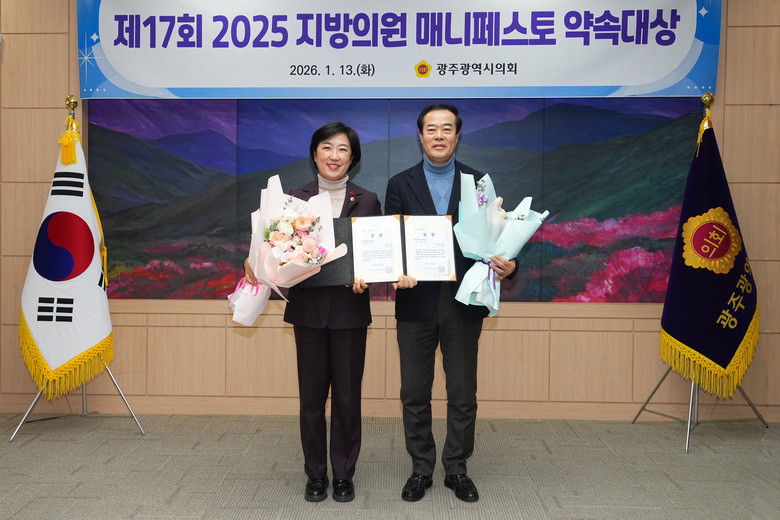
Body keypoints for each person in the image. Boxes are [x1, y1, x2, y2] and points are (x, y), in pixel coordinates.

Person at [385, 104, 518, 503]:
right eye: (431, 129)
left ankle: (457, 468)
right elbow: (391, 240)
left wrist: (510, 264)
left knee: (462, 392)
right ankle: (421, 468)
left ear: (457, 135)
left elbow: (498, 236)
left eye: (447, 128)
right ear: (420, 136)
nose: (439, 135)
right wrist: (396, 269)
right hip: (415, 301)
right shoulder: (400, 183)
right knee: (414, 391)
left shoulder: (478, 184)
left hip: (465, 301)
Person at [244, 122, 381, 503]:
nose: (334, 155)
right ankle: (316, 473)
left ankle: (344, 473)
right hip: (308, 311)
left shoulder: (368, 200)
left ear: (353, 157)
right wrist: (256, 260)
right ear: (315, 154)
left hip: (351, 311)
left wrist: (368, 277)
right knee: (311, 400)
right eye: (327, 147)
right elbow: (271, 248)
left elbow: (376, 252)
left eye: (342, 149)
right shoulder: (293, 200)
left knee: (348, 399)